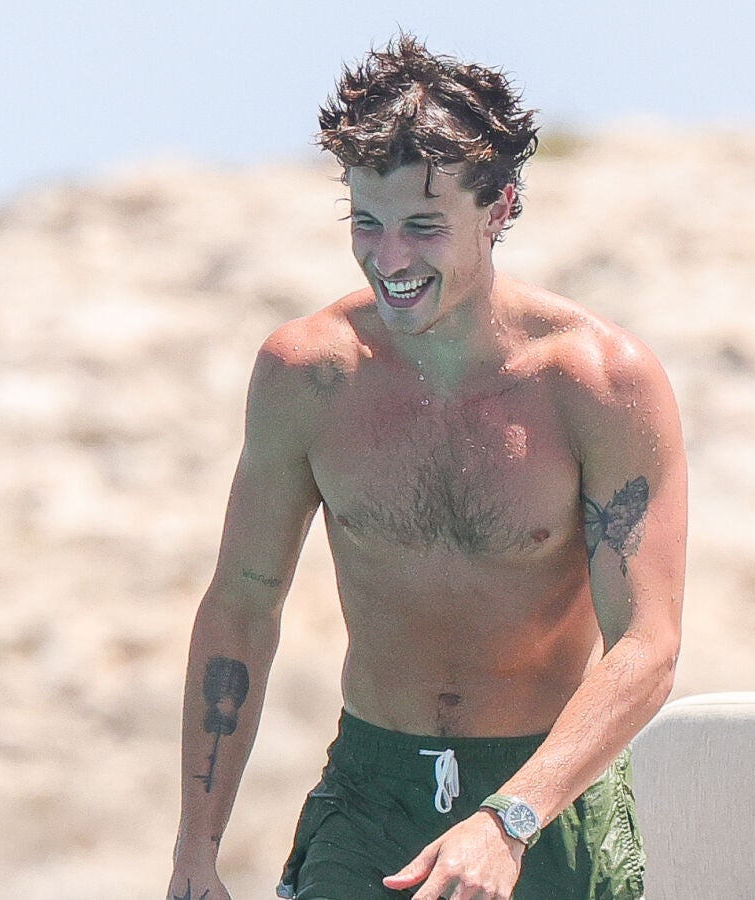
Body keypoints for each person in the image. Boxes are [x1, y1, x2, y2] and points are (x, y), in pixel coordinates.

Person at [168, 35, 686, 900]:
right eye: (366, 222)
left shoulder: (600, 384)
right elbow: (242, 606)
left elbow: (648, 645)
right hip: (371, 791)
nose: (390, 260)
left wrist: (509, 818)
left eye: (422, 226)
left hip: (547, 798)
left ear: (499, 209)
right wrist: (196, 849)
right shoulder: (309, 375)